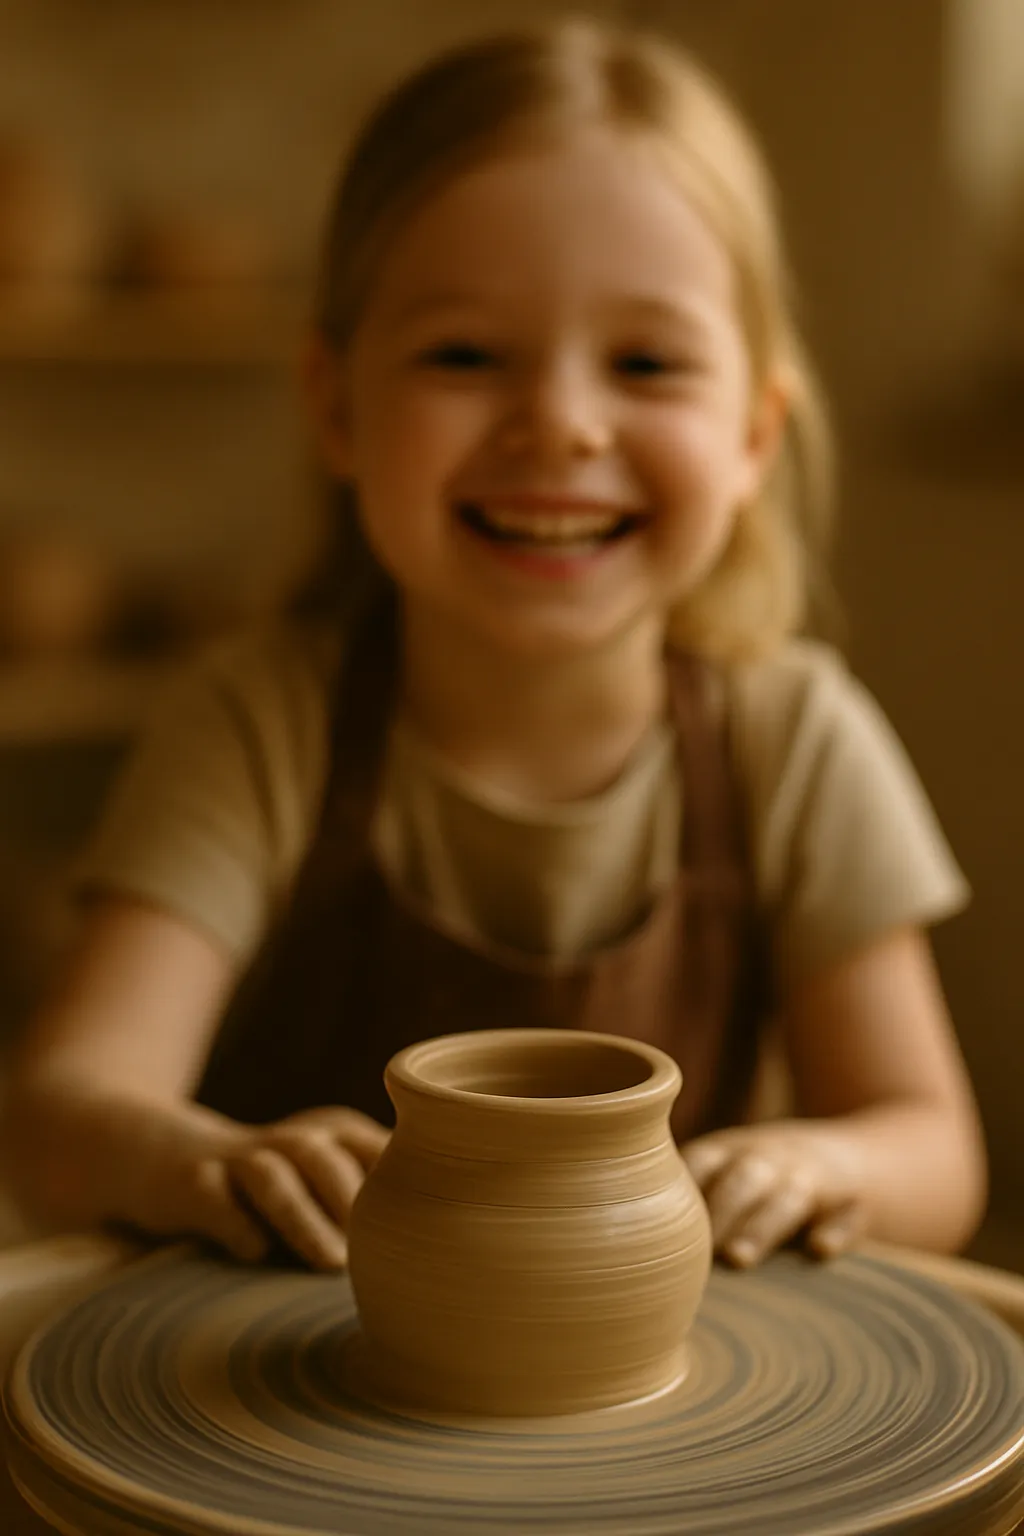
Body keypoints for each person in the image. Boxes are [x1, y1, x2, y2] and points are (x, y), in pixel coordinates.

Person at [2, 18, 986, 1276]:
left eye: (643, 361)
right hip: (299, 1414)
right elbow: (57, 1117)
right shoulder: (258, 725)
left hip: (646, 1420)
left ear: (752, 432)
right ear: (335, 405)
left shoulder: (790, 739)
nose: (561, 425)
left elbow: (937, 1152)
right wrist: (188, 1162)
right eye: (464, 355)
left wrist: (828, 1165)